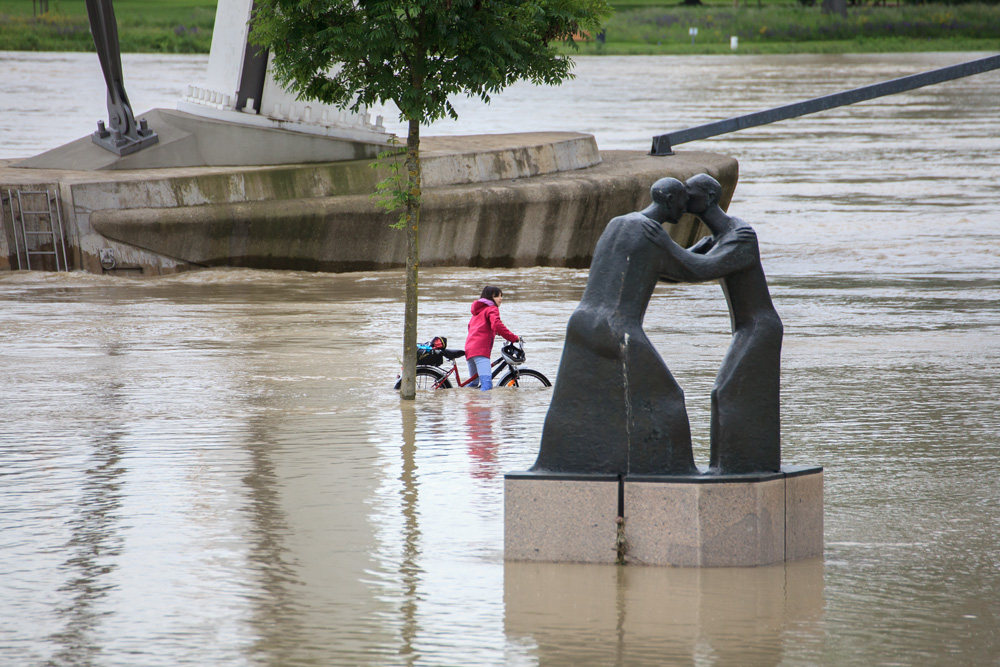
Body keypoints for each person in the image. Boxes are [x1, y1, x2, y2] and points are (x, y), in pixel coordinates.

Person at [532, 177, 757, 476]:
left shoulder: (619, 223)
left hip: (581, 323)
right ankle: (676, 472)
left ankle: (563, 464)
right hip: (617, 330)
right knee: (668, 400)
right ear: (669, 202)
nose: (686, 208)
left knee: (575, 405)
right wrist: (708, 246)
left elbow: (661, 266)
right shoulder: (653, 235)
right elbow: (693, 270)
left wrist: (699, 246)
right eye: (682, 201)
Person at [685, 174, 783, 474]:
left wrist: (656, 243)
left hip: (760, 327)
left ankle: (741, 466)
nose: (684, 196)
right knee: (725, 392)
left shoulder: (741, 235)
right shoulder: (712, 240)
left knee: (727, 391)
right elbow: (675, 270)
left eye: (690, 192)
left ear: (710, 198)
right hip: (745, 327)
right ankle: (729, 465)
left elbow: (700, 269)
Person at [465, 286, 520, 391]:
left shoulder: (478, 310)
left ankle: (469, 404)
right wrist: (513, 338)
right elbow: (497, 324)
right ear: (489, 298)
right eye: (497, 296)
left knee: (474, 384)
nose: (500, 299)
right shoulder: (492, 308)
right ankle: (484, 407)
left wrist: (495, 332)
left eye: (501, 296)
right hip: (480, 350)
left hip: (470, 349)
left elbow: (474, 327)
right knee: (487, 385)